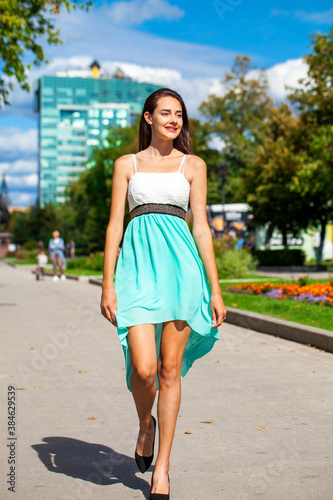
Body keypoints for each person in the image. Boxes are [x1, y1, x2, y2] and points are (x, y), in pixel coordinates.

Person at [100, 88, 227, 499]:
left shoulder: (193, 165)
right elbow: (115, 225)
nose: (174, 119)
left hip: (182, 274)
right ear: (148, 118)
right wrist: (107, 282)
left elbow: (202, 227)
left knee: (169, 371)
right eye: (165, 113)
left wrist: (215, 288)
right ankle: (145, 424)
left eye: (179, 114)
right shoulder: (127, 165)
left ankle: (163, 470)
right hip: (136, 274)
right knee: (144, 369)